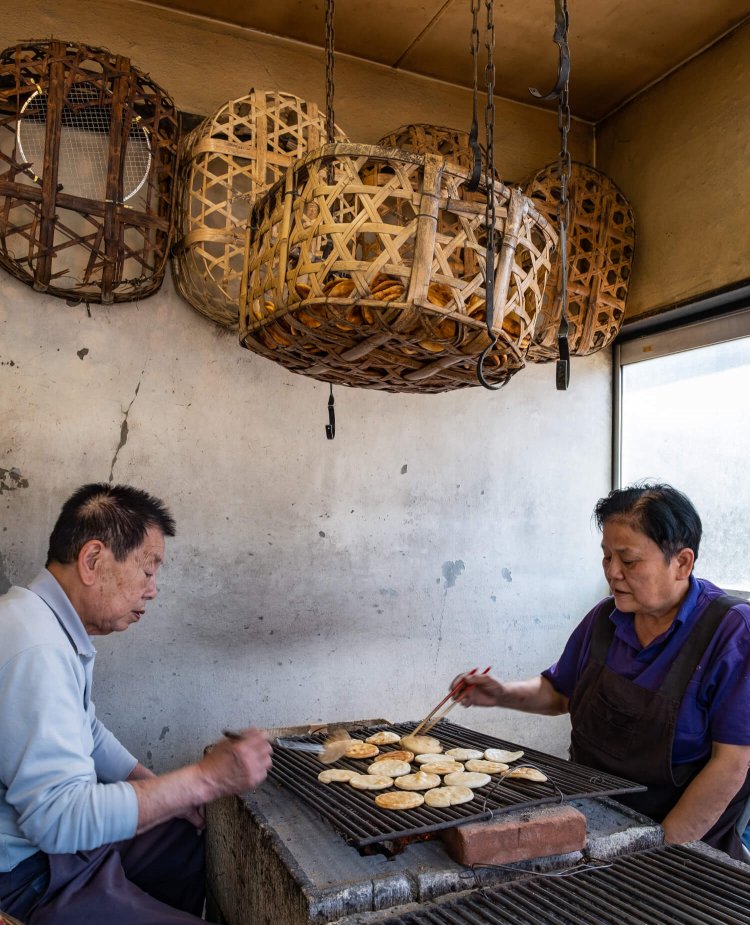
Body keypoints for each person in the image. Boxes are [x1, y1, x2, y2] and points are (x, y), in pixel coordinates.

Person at [0, 483, 273, 923]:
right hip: (28, 874)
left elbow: (86, 731)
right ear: (92, 561)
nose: (153, 590)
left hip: (55, 849)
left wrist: (164, 790)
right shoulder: (36, 649)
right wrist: (203, 781)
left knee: (184, 836)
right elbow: (57, 820)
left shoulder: (45, 624)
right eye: (148, 570)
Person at [453, 483, 750, 860]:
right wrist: (501, 694)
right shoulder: (605, 619)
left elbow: (732, 763)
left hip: (683, 840)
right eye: (606, 557)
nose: (613, 572)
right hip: (591, 821)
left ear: (682, 562)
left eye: (628, 561)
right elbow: (560, 692)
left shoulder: (730, 631)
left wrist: (655, 852)